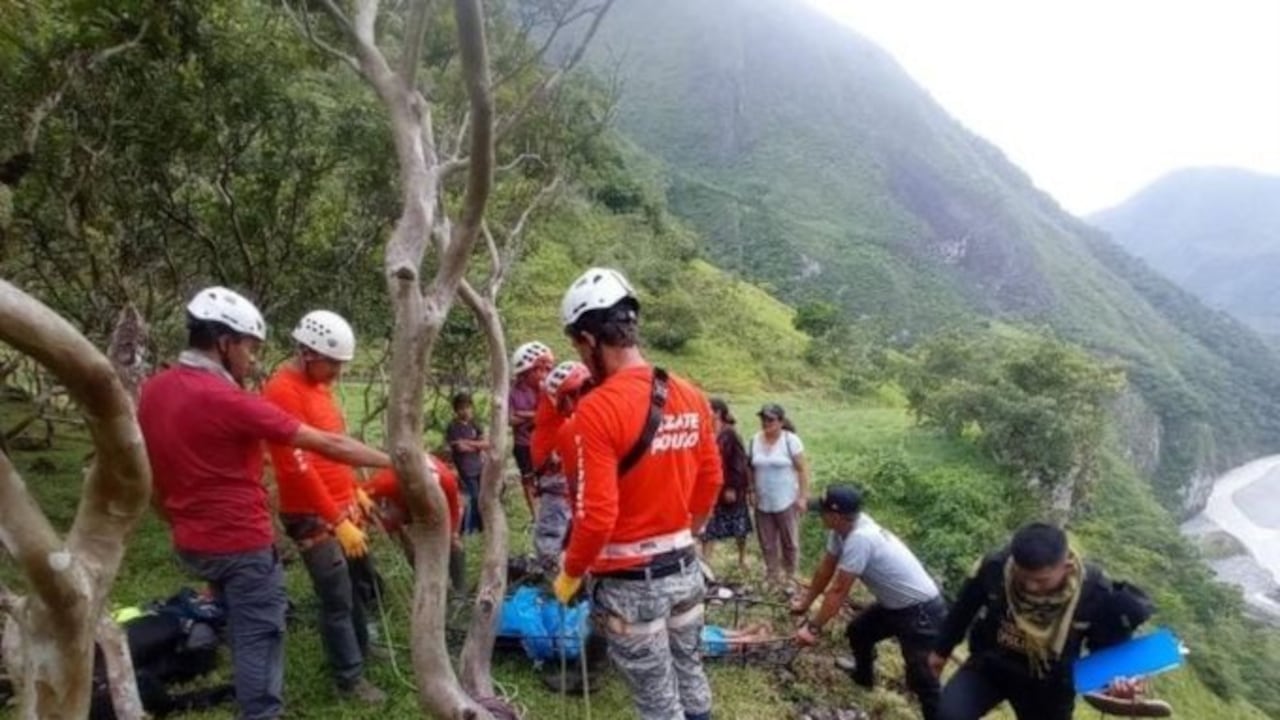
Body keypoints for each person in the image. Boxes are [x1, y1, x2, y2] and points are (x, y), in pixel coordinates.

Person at [138, 287, 391, 720]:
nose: (253, 359)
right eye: (250, 348)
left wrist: (355, 491)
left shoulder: (153, 390)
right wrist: (397, 462)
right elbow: (313, 453)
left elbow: (147, 467)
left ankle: (349, 653)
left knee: (255, 618)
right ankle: (286, 700)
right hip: (244, 539)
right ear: (224, 342)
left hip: (198, 536)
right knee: (263, 632)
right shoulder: (240, 398)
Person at [551, 267, 723, 720]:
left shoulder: (597, 410)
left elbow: (597, 516)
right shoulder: (689, 393)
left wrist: (571, 572)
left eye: (578, 345)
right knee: (691, 677)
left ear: (590, 339)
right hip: (684, 568)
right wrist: (685, 533)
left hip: (631, 584)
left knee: (658, 702)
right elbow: (710, 481)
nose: (580, 355)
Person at [261, 310, 386, 705]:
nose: (337, 372)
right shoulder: (282, 392)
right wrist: (335, 520)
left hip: (341, 505)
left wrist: (355, 490)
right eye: (332, 363)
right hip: (312, 513)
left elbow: (335, 448)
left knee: (357, 585)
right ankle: (349, 679)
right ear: (307, 353)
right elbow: (296, 467)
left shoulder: (319, 388)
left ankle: (361, 648)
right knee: (335, 595)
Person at [931, 523, 1155, 720]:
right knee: (947, 716)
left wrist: (1116, 682)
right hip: (989, 666)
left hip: (1049, 684)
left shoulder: (1095, 592)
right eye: (1023, 577)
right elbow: (962, 611)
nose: (1030, 586)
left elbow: (1106, 653)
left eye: (1041, 580)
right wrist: (939, 653)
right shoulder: (996, 567)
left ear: (1065, 566)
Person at [790, 485, 945, 720]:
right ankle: (863, 677)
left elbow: (839, 590)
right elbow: (825, 570)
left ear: (836, 516)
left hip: (921, 612)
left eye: (823, 512)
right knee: (859, 631)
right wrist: (805, 602)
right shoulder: (840, 531)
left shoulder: (861, 538)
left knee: (922, 678)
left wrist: (812, 628)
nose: (819, 515)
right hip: (894, 605)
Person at [365, 454, 465, 593]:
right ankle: (426, 585)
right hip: (398, 505)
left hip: (434, 507)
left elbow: (454, 522)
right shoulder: (385, 484)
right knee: (412, 545)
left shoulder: (447, 483)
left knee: (453, 543)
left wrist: (450, 536)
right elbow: (360, 499)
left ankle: (460, 591)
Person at [530, 360, 592, 572]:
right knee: (565, 529)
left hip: (558, 479)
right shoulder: (555, 404)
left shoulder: (575, 416)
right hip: (553, 476)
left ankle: (553, 575)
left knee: (551, 535)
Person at [747, 403, 811, 590]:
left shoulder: (791, 441)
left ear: (781, 422)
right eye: (763, 419)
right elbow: (750, 468)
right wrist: (751, 490)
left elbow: (802, 470)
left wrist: (802, 497)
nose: (766, 423)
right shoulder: (754, 440)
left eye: (771, 419)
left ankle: (790, 576)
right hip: (763, 500)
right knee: (767, 542)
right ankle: (772, 575)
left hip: (787, 499)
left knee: (789, 541)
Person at [700, 398, 752, 570]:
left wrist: (732, 487)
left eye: (709, 410)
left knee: (739, 524)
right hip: (713, 487)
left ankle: (742, 558)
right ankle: (706, 561)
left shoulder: (730, 433)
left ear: (718, 413)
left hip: (730, 485)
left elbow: (739, 462)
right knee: (709, 526)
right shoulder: (707, 431)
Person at [509, 340, 555, 517]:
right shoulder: (514, 392)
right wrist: (534, 416)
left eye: (546, 370)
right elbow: (510, 419)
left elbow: (551, 416)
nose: (543, 374)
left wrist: (525, 414)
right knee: (528, 479)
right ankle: (535, 515)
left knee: (548, 478)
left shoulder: (548, 390)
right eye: (539, 370)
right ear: (526, 371)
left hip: (545, 443)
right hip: (524, 443)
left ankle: (548, 512)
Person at [445, 391, 488, 534]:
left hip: (479, 467)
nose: (465, 411)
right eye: (462, 408)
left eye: (468, 407)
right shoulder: (453, 427)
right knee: (473, 497)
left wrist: (468, 443)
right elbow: (460, 448)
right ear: (456, 410)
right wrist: (476, 445)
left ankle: (481, 526)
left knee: (482, 497)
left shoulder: (475, 425)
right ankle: (469, 528)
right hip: (465, 469)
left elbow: (486, 444)